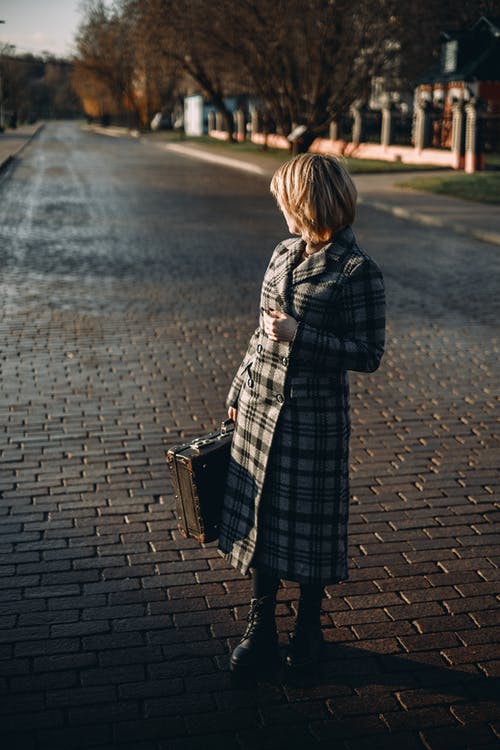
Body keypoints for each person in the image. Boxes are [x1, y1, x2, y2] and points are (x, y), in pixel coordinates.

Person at [217, 153, 386, 675]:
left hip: (312, 419)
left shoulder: (358, 272)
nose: (280, 211)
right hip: (258, 410)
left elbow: (367, 354)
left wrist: (301, 336)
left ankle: (308, 629)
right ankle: (261, 627)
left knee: (310, 526)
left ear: (308, 203)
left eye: (285, 202)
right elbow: (260, 330)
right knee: (261, 521)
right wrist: (238, 386)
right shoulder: (282, 252)